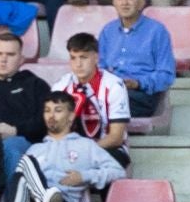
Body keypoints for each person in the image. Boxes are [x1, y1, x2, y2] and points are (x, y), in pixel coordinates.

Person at [0, 90, 125, 202]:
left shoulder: (86, 146)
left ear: (71, 116)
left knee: (26, 164)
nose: (51, 116)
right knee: (22, 168)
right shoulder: (35, 148)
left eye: (58, 110)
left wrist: (84, 176)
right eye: (47, 111)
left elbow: (118, 172)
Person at [0, 30, 47, 180]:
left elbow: (46, 121)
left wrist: (15, 130)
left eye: (10, 55)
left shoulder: (35, 85)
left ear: (21, 59)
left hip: (27, 144)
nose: (3, 59)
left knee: (11, 147)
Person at [96, 0, 174, 118]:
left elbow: (166, 75)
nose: (125, 3)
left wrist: (138, 83)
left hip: (140, 94)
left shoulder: (157, 31)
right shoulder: (108, 31)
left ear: (141, 3)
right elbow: (99, 66)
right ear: (114, 3)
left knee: (107, 106)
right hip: (110, 91)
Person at [55, 30, 132, 166]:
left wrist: (84, 152)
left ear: (96, 58)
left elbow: (116, 137)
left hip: (108, 149)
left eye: (83, 57)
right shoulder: (60, 87)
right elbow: (54, 131)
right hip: (68, 151)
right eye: (73, 58)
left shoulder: (114, 85)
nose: (78, 64)